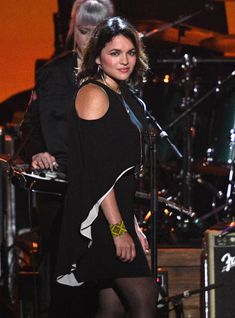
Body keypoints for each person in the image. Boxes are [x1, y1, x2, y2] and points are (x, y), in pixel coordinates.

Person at [56, 17, 158, 317]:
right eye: (115, 53)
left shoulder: (120, 93)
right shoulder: (93, 95)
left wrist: (134, 226)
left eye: (130, 52)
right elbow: (100, 173)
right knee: (144, 299)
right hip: (99, 217)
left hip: (116, 214)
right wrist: (118, 230)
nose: (125, 60)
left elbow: (120, 171)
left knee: (111, 308)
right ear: (98, 56)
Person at [20, 1, 114, 317]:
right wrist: (37, 151)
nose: (90, 39)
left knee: (103, 282)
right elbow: (29, 128)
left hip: (104, 190)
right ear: (75, 30)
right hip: (59, 190)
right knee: (64, 280)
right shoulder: (52, 74)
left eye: (98, 32)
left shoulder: (117, 77)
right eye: (85, 32)